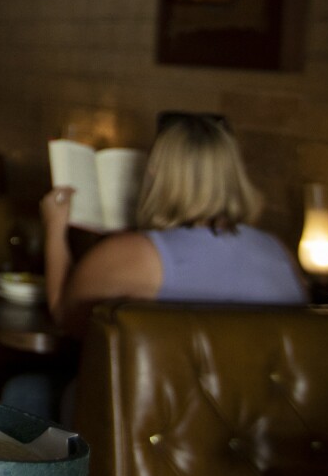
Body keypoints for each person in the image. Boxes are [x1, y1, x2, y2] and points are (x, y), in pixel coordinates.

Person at [43, 113, 306, 337]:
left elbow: (64, 317)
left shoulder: (134, 255)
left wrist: (55, 229)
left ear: (157, 171)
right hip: (262, 398)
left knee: (24, 390)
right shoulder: (280, 253)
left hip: (161, 398)